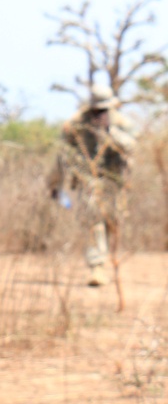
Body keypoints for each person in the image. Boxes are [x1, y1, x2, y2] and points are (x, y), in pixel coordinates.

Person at [51, 79, 134, 286]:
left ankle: (106, 261)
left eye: (103, 110)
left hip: (114, 180)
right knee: (93, 219)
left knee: (111, 222)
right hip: (88, 180)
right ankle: (97, 267)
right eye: (96, 110)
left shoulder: (121, 123)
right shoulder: (76, 125)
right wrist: (56, 183)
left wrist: (110, 132)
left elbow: (131, 147)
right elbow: (62, 155)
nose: (99, 114)